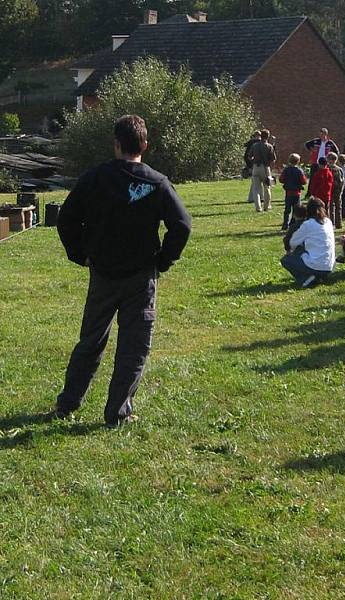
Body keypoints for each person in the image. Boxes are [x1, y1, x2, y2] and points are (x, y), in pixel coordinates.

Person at [54, 114, 192, 427]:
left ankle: (68, 403)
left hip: (102, 273)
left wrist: (80, 255)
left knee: (90, 341)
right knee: (133, 346)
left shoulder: (95, 177)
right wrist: (163, 260)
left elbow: (66, 219)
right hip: (140, 277)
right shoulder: (156, 182)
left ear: (116, 144)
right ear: (145, 144)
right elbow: (182, 225)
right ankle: (117, 412)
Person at [281, 197, 336, 287]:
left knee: (286, 260)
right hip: (330, 266)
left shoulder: (308, 224)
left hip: (316, 265)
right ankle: (320, 276)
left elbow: (293, 243)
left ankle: (306, 279)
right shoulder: (328, 222)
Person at [246, 131, 275, 212]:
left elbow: (249, 156)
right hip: (265, 167)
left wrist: (253, 163)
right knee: (267, 187)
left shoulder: (254, 145)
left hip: (256, 167)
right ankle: (266, 206)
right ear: (268, 136)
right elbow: (273, 159)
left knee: (256, 188)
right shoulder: (269, 146)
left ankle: (258, 207)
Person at [279, 153, 307, 230]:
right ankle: (293, 223)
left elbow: (281, 179)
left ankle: (285, 224)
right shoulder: (299, 171)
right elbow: (304, 181)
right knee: (296, 209)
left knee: (287, 209)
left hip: (288, 192)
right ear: (298, 161)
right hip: (297, 193)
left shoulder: (286, 170)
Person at [327, 152, 345, 228]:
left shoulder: (327, 169)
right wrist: (341, 190)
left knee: (331, 207)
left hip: (330, 190)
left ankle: (332, 223)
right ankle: (338, 223)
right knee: (338, 207)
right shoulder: (339, 169)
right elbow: (343, 181)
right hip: (337, 190)